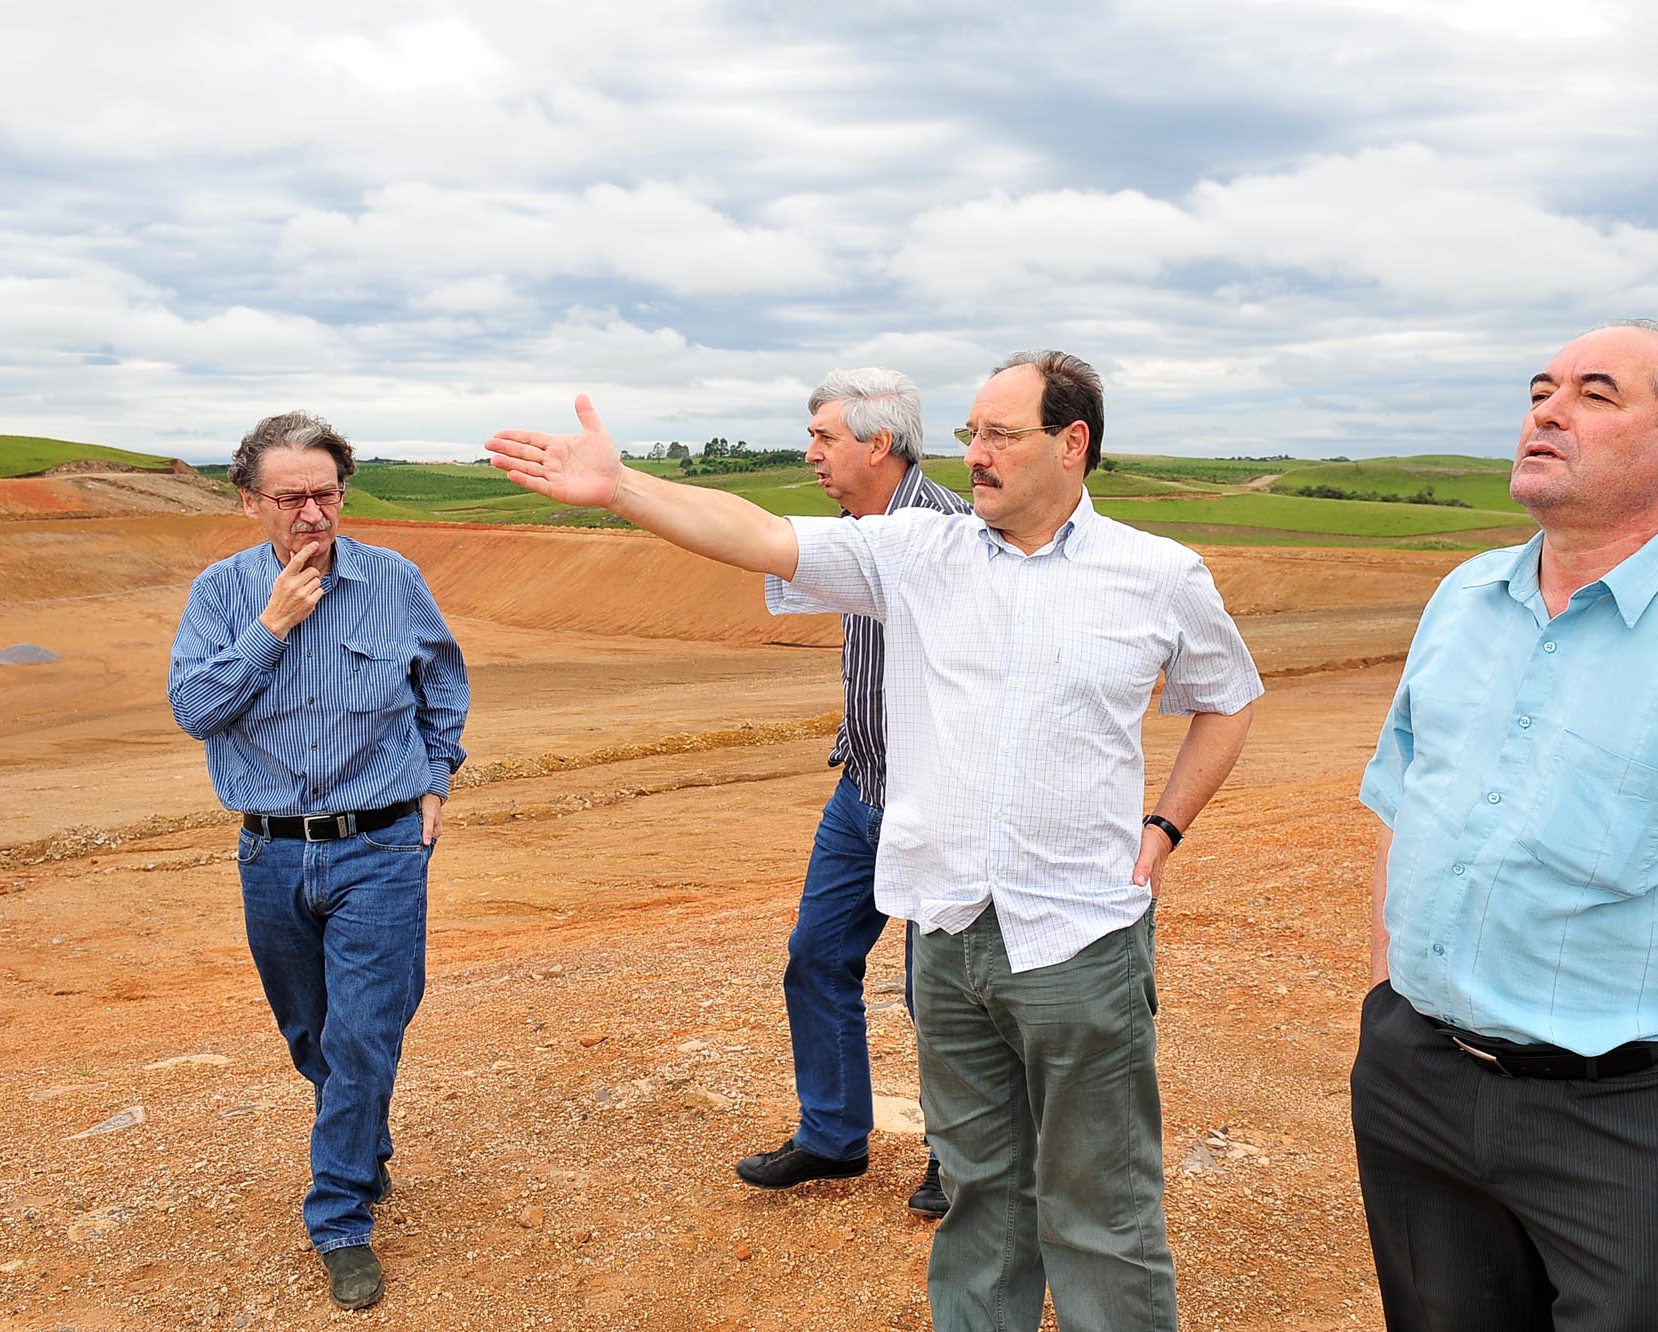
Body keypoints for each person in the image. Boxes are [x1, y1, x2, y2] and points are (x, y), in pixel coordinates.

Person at [488, 350, 1260, 1332]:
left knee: (1101, 1205)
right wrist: (621, 487)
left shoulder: (1156, 575)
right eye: (971, 434)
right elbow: (762, 536)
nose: (973, 454)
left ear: (1071, 445)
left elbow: (1224, 701)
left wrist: (1163, 824)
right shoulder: (913, 556)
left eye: (998, 435)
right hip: (944, 937)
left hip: (1078, 941)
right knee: (981, 1193)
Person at [1353, 321, 1658, 1332]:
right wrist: (1399, 1006)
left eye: (1594, 393)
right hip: (1416, 1089)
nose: (1546, 410)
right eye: (1540, 388)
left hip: (1628, 1125)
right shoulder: (1462, 599)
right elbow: (1400, 797)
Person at [168, 412, 468, 1312]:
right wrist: (270, 626)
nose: (312, 513)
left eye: (326, 494)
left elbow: (444, 681)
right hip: (270, 851)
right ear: (252, 501)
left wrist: (436, 780)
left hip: (381, 844)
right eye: (291, 497)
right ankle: (361, 1134)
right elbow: (193, 708)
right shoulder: (221, 594)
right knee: (312, 1035)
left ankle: (339, 1216)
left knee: (363, 1031)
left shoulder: (393, 580)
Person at [730, 368, 969, 1217]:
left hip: (935, 802)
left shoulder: (950, 536)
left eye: (825, 437)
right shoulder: (853, 528)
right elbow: (761, 549)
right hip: (861, 787)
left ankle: (959, 1157)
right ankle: (833, 1138)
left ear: (879, 443)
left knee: (933, 991)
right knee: (816, 957)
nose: (811, 454)